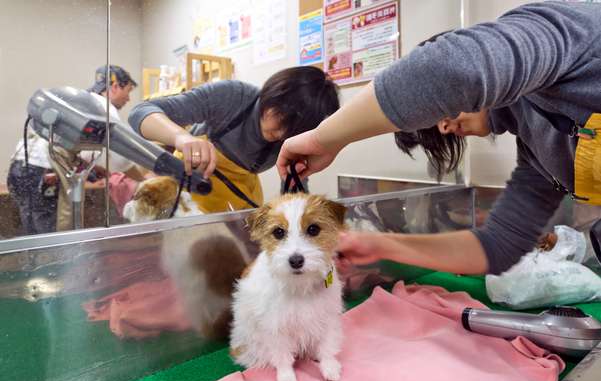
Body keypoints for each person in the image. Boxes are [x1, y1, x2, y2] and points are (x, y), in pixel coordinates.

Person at [276, 2, 601, 276]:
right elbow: (497, 246)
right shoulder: (537, 152)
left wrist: (325, 139)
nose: (444, 129)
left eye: (439, 116)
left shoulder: (567, 30)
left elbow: (455, 69)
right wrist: (379, 245)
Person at [128, 66, 339, 213]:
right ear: (273, 92)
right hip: (186, 190)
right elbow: (139, 113)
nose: (279, 133)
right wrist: (182, 138)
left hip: (239, 198)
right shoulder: (233, 96)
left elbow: (296, 189)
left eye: (290, 129)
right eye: (279, 116)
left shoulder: (296, 136)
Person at [7, 64, 138, 234]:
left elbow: (73, 147)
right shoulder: (102, 107)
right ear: (114, 87)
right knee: (51, 236)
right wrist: (147, 178)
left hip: (21, 169)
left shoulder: (81, 102)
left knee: (34, 231)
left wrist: (93, 169)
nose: (128, 98)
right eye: (128, 91)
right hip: (43, 173)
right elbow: (122, 156)